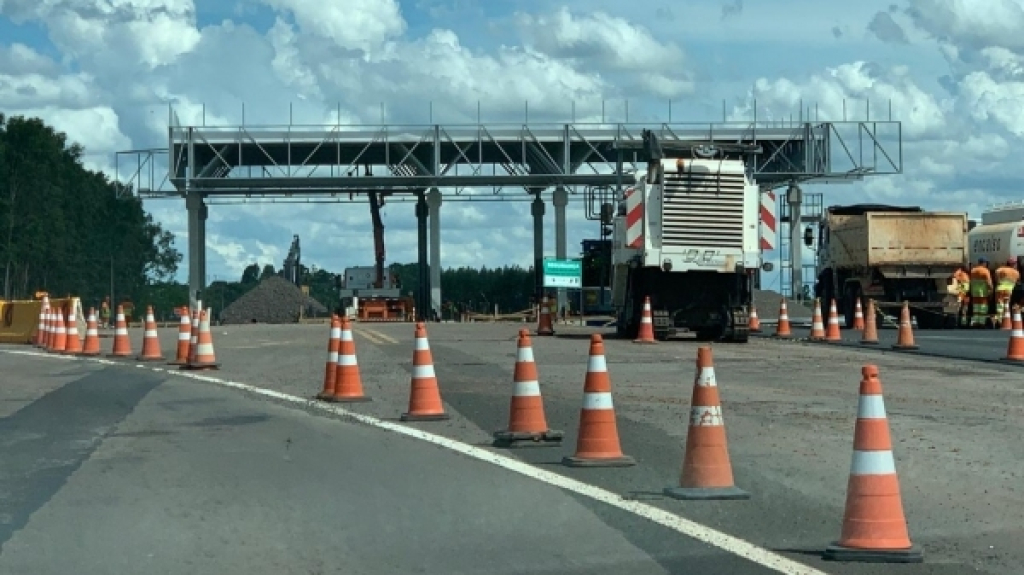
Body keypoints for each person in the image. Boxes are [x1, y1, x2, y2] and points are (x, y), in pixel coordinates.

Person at [969, 258, 993, 327]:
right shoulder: (985, 271)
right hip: (982, 292)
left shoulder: (973, 270)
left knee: (976, 307)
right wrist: (991, 290)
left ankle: (975, 322)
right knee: (983, 307)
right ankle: (981, 322)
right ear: (983, 263)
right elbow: (989, 283)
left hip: (974, 292)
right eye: (986, 263)